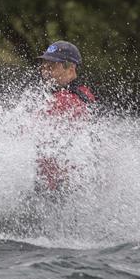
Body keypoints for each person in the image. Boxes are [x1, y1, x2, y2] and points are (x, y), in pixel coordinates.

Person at [35, 40, 96, 191]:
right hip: (72, 183)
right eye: (44, 65)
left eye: (51, 66)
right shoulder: (83, 93)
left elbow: (29, 133)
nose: (45, 70)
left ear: (70, 69)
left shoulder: (66, 100)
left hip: (60, 188)